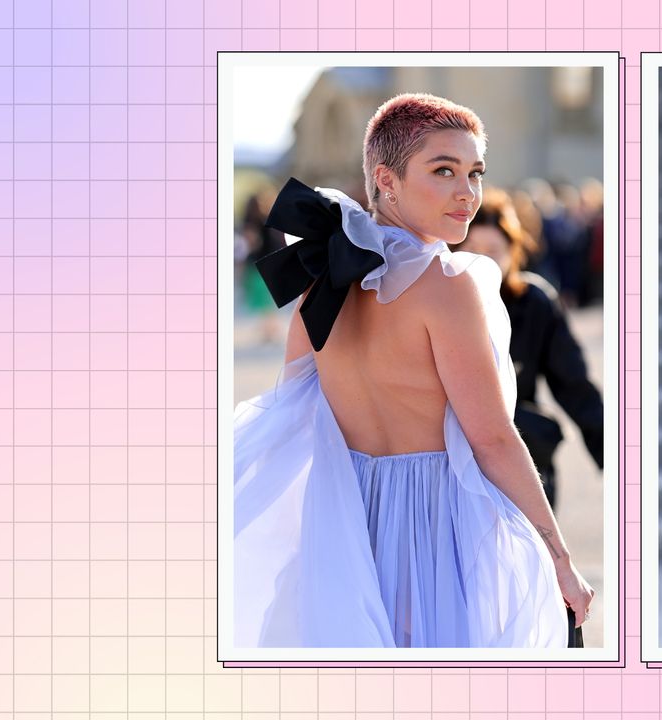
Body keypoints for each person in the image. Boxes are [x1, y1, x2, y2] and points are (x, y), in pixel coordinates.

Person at [233, 93, 595, 649]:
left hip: (342, 521)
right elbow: (494, 438)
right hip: (432, 522)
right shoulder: (447, 290)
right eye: (443, 170)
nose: (467, 193)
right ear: (386, 178)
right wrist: (561, 560)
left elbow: (294, 405)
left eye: (475, 173)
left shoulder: (322, 276)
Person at [460, 188, 604, 508]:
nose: (482, 262)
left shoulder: (535, 302)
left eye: (493, 251)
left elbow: (574, 384)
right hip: (454, 463)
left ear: (514, 252)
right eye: (472, 250)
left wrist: (612, 455)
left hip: (521, 456)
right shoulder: (437, 304)